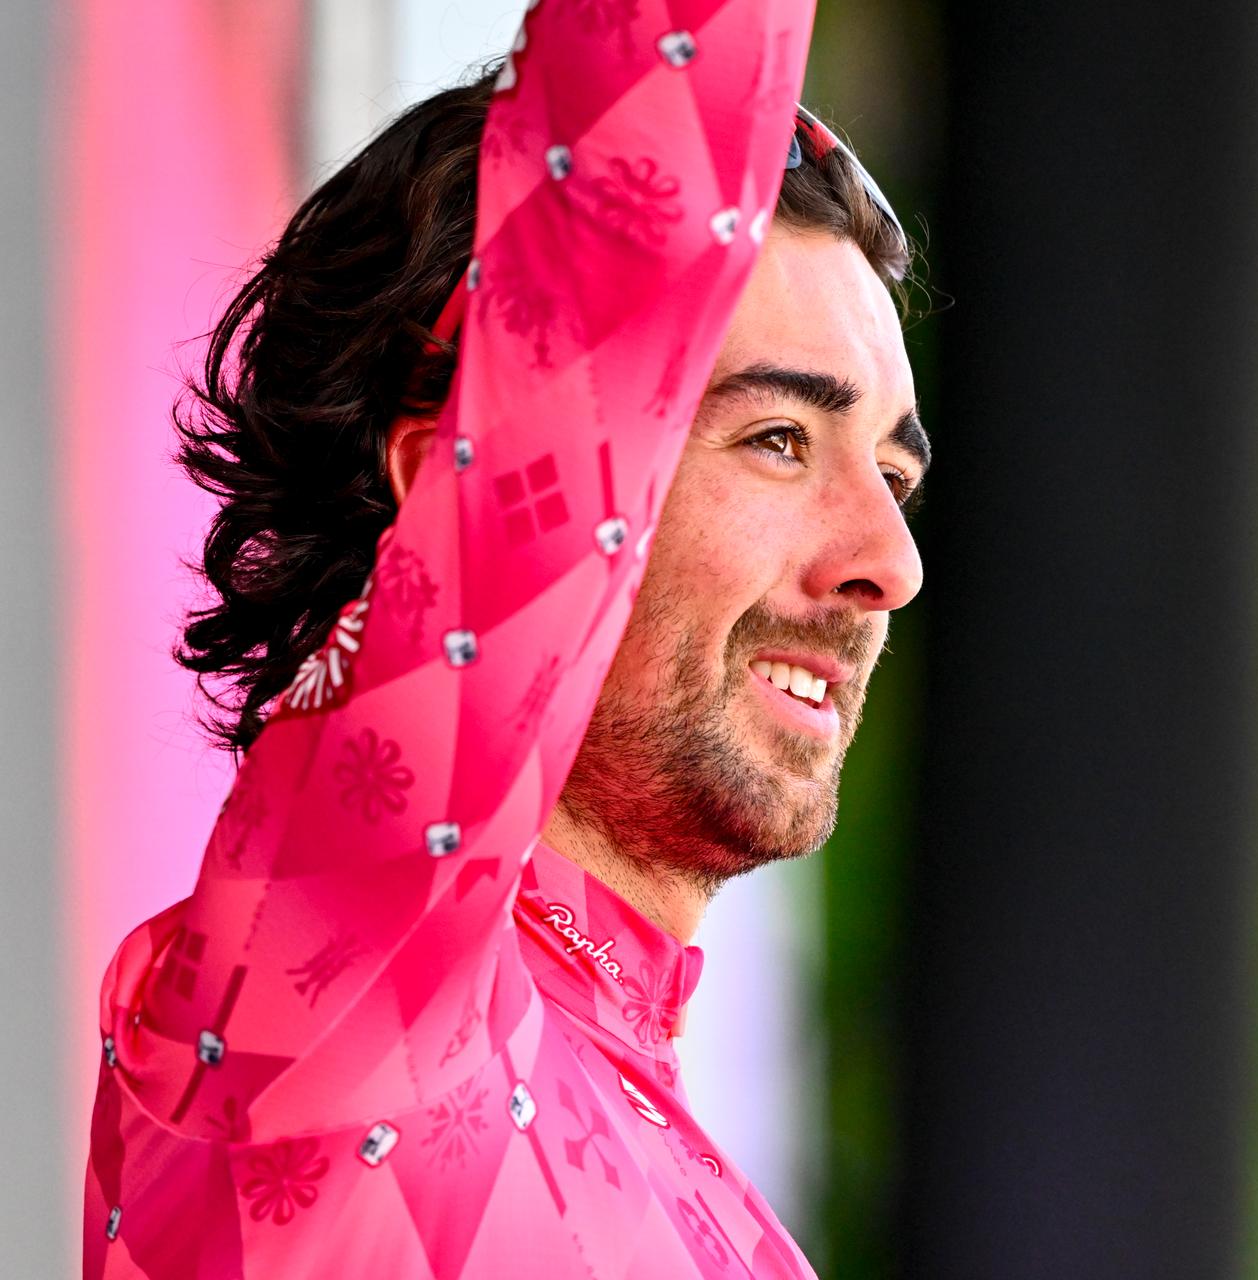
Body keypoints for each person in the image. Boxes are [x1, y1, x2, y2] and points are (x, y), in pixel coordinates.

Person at [81, 0, 927, 1274]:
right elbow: (646, 154)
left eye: (894, 476)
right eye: (776, 440)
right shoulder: (347, 992)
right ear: (449, 488)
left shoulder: (677, 1150)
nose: (890, 562)